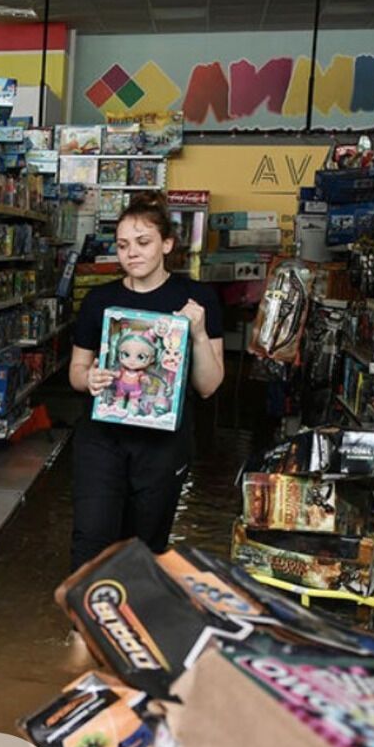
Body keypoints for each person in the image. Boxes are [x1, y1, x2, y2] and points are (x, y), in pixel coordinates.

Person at [68, 192, 225, 568]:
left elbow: (209, 385)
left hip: (162, 445)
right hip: (102, 439)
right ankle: (84, 625)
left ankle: (131, 622)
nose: (131, 253)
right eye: (123, 245)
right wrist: (89, 378)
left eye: (143, 243)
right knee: (91, 537)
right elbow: (76, 371)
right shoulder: (99, 300)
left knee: (145, 545)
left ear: (167, 244)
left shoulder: (196, 299)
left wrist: (199, 334)